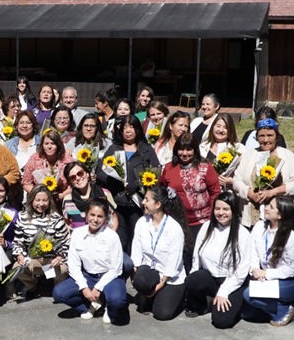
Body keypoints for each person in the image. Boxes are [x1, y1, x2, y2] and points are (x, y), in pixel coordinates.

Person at [183, 190, 253, 328]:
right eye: (217, 209)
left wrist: (224, 291)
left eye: (226, 209)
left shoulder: (243, 233)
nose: (221, 213)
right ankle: (206, 302)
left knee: (221, 321)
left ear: (233, 210)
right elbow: (196, 257)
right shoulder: (206, 227)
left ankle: (237, 303)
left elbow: (242, 269)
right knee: (192, 279)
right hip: (211, 278)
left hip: (233, 282)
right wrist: (191, 289)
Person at [53, 200, 128, 325]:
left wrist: (98, 287)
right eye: (92, 215)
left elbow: (116, 268)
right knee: (59, 293)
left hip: (108, 277)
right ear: (86, 215)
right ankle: (89, 307)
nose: (95, 219)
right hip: (88, 276)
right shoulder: (77, 233)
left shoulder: (112, 237)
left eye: (100, 216)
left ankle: (111, 309)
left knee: (117, 300)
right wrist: (84, 287)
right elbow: (74, 265)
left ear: (105, 219)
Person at [96, 115, 161, 251]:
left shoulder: (146, 150)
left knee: (137, 239)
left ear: (137, 129)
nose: (128, 130)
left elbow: (155, 175)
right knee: (119, 239)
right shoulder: (114, 148)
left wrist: (137, 185)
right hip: (117, 203)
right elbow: (100, 171)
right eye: (125, 127)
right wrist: (113, 179)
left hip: (138, 204)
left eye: (131, 127)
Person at [158, 133, 220, 272]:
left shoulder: (205, 166)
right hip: (176, 221)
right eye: (181, 149)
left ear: (195, 150)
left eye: (189, 149)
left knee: (196, 256)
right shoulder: (168, 168)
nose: (184, 153)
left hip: (201, 222)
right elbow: (161, 191)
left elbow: (215, 192)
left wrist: (211, 218)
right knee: (178, 254)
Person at [242, 195, 294, 326]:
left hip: (287, 281)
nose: (266, 209)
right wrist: (254, 270)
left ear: (280, 215)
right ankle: (275, 307)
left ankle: (284, 310)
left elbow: (290, 270)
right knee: (246, 313)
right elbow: (252, 252)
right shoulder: (259, 227)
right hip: (262, 275)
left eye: (271, 207)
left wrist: (266, 274)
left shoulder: (293, 238)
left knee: (248, 294)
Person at [131, 186, 188, 320]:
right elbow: (136, 252)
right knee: (139, 282)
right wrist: (137, 279)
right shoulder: (142, 222)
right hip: (151, 271)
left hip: (169, 278)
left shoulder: (173, 228)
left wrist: (158, 287)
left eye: (146, 199)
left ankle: (178, 297)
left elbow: (174, 261)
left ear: (158, 204)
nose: (143, 202)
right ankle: (148, 295)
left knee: (162, 314)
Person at [233, 117, 294, 228]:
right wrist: (250, 193)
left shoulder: (288, 156)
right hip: (252, 215)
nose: (265, 140)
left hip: (280, 216)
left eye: (270, 135)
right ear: (256, 138)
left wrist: (272, 192)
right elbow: (237, 180)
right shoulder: (249, 155)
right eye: (261, 136)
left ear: (277, 137)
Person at [11, 185, 71, 299]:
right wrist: (20, 255)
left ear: (49, 201)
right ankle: (32, 285)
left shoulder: (56, 218)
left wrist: (59, 257)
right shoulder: (22, 217)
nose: (41, 204)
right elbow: (18, 241)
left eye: (45, 200)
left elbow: (65, 242)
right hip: (32, 259)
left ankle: (57, 288)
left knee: (63, 269)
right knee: (17, 269)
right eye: (37, 200)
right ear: (31, 200)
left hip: (51, 259)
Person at [63, 161, 117, 230]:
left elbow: (114, 218)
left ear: (87, 174)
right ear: (70, 182)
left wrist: (111, 238)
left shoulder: (105, 193)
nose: (78, 178)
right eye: (73, 177)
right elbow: (67, 223)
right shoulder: (67, 200)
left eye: (80, 173)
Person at [20, 128, 74, 197]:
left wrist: (62, 195)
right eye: (46, 144)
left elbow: (73, 183)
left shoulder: (67, 159)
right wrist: (38, 195)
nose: (49, 147)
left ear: (58, 145)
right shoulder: (35, 158)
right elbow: (26, 183)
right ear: (42, 145)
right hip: (38, 199)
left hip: (62, 197)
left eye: (52, 143)